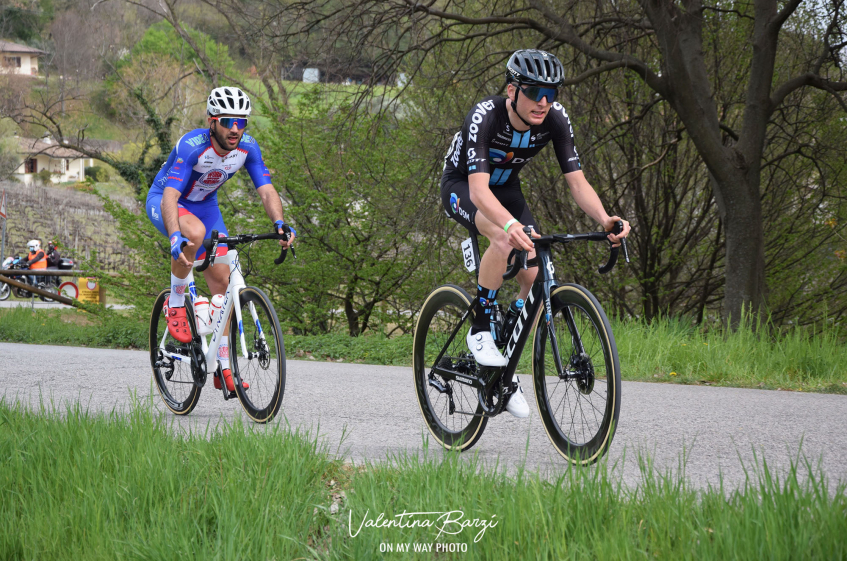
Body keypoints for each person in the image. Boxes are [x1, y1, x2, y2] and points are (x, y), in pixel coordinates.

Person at [441, 49, 631, 418]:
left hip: (507, 189)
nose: (543, 102)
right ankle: (481, 326)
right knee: (502, 236)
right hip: (464, 186)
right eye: (534, 91)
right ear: (512, 90)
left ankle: (501, 367)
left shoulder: (555, 119)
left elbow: (576, 182)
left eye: (552, 93)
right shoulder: (485, 116)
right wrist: (510, 225)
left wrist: (605, 219)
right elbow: (479, 193)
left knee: (539, 277)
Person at [146, 86, 295, 393]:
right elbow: (171, 195)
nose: (236, 129)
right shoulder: (192, 145)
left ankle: (222, 364)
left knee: (224, 285)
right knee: (196, 234)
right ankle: (175, 303)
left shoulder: (247, 148)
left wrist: (280, 223)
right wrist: (175, 235)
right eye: (229, 121)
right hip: (168, 201)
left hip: (206, 207)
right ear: (212, 121)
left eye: (243, 122)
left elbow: (266, 191)